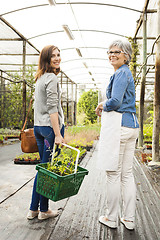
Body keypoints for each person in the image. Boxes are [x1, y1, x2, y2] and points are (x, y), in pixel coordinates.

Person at [95, 40, 139, 230]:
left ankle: (111, 217)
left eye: (117, 52)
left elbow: (115, 102)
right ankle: (129, 219)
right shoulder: (125, 73)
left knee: (113, 173)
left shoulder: (121, 73)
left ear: (126, 55)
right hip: (132, 126)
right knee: (126, 174)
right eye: (109, 51)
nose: (112, 54)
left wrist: (101, 104)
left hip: (120, 125)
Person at [27, 45, 64, 220]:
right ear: (46, 59)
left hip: (39, 128)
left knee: (42, 169)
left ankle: (34, 209)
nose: (57, 58)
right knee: (46, 171)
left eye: (58, 55)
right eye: (53, 56)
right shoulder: (52, 79)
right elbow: (52, 109)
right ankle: (44, 210)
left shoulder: (40, 78)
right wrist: (58, 134)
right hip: (49, 129)